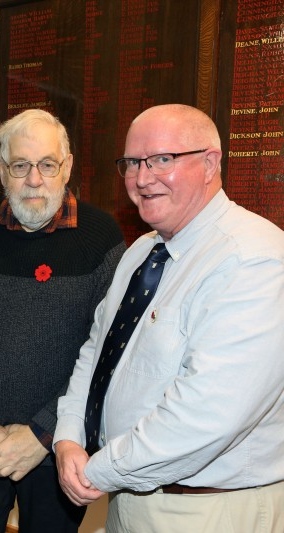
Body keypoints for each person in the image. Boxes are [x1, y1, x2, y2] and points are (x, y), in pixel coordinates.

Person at [54, 104, 284, 533]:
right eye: (132, 163)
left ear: (210, 163)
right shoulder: (141, 253)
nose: (142, 178)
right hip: (131, 497)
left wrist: (98, 471)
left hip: (211, 512)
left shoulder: (253, 260)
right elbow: (97, 352)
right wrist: (68, 437)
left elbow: (207, 416)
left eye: (163, 159)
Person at [0, 108, 125, 533]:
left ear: (67, 167)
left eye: (47, 165)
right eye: (20, 165)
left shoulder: (102, 237)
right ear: (2, 169)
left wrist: (41, 433)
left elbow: (108, 353)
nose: (33, 179)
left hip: (57, 446)